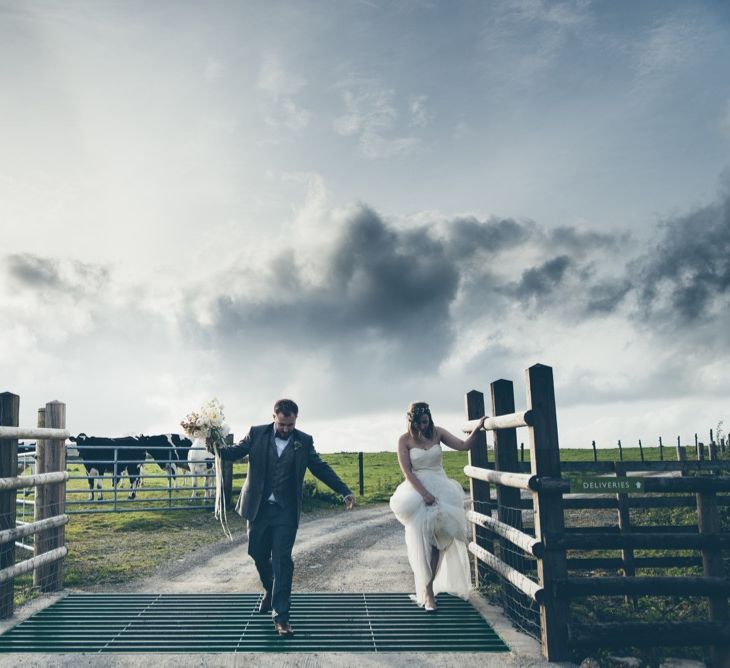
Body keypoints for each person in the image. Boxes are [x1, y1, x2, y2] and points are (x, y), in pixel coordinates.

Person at [215, 398, 355, 637]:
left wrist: (344, 491)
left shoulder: (304, 441)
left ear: (296, 420)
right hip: (258, 508)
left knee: (282, 561)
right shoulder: (256, 434)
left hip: (285, 511)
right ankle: (271, 590)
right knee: (257, 553)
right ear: (274, 417)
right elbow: (232, 453)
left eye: (290, 425)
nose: (286, 429)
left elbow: (320, 468)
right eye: (282, 425)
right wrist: (213, 442)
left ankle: (281, 617)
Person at [389, 401, 486, 611]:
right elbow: (408, 472)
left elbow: (462, 446)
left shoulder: (438, 433)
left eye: (424, 422)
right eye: (417, 423)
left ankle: (429, 588)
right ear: (410, 421)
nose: (422, 427)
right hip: (417, 491)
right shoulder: (404, 440)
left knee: (439, 542)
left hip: (442, 488)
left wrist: (477, 429)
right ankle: (428, 591)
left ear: (429, 418)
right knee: (422, 543)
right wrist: (424, 494)